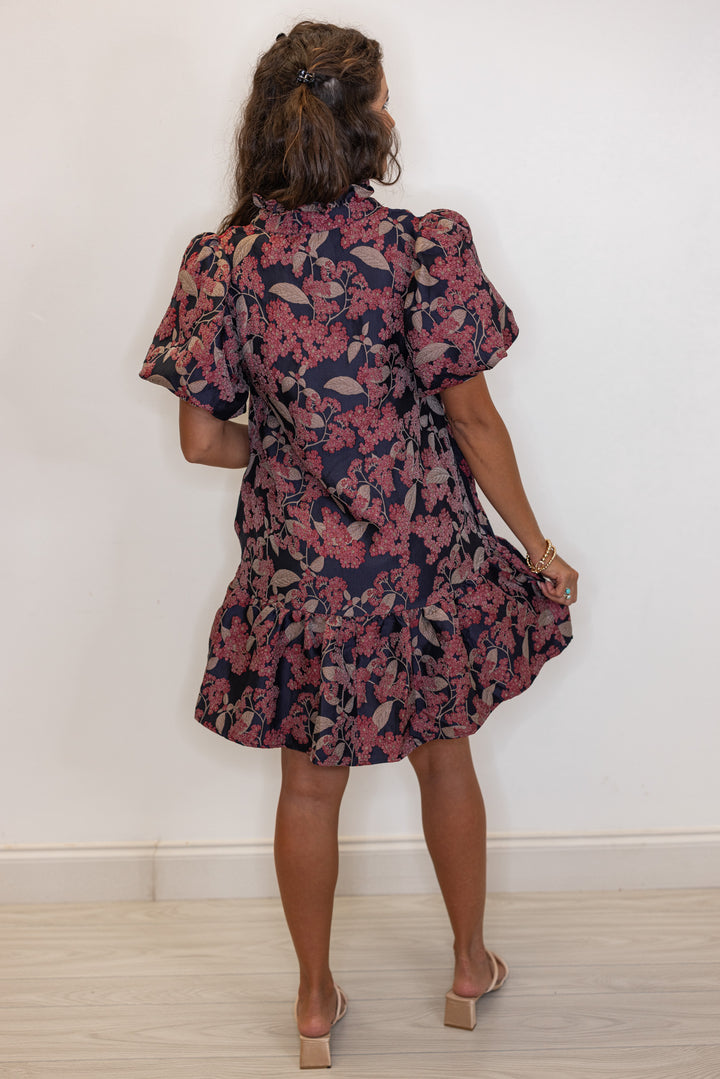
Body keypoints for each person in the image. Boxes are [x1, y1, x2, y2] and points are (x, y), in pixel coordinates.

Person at [139, 19, 578, 1070]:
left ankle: (312, 1000)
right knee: (446, 757)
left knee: (306, 783)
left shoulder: (224, 260)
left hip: (300, 570)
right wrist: (539, 542)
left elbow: (203, 439)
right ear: (371, 115)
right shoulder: (420, 245)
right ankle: (470, 966)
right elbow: (474, 421)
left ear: (267, 124)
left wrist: (289, 441)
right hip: (423, 560)